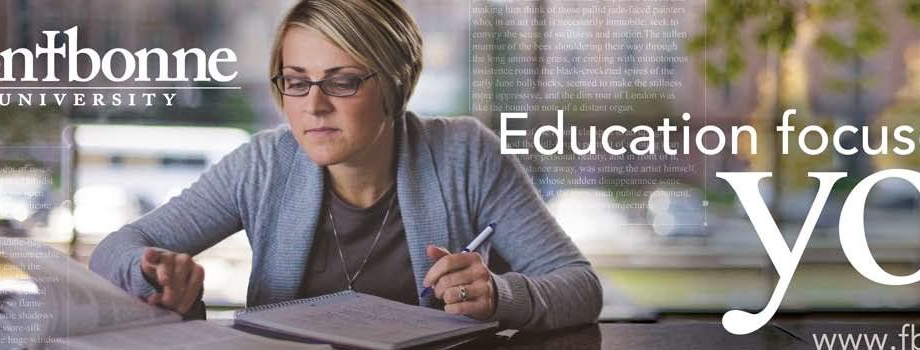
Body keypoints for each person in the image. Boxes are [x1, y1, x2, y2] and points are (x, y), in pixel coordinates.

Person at [90, 0, 601, 331]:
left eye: (341, 81)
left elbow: (580, 286)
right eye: (296, 80)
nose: (313, 105)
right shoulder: (265, 163)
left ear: (396, 86)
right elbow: (114, 249)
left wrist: (500, 296)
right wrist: (151, 274)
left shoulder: (466, 154)